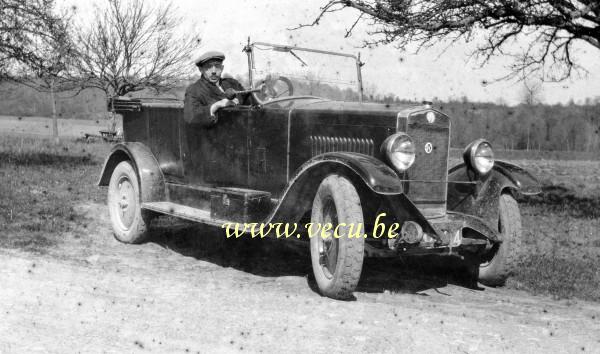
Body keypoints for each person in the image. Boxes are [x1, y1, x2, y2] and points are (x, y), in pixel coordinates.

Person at [184, 50, 246, 125]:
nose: (214, 71)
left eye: (217, 66)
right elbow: (191, 117)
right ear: (201, 70)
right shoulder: (194, 90)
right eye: (208, 66)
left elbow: (252, 100)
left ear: (222, 68)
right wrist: (216, 105)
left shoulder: (233, 83)